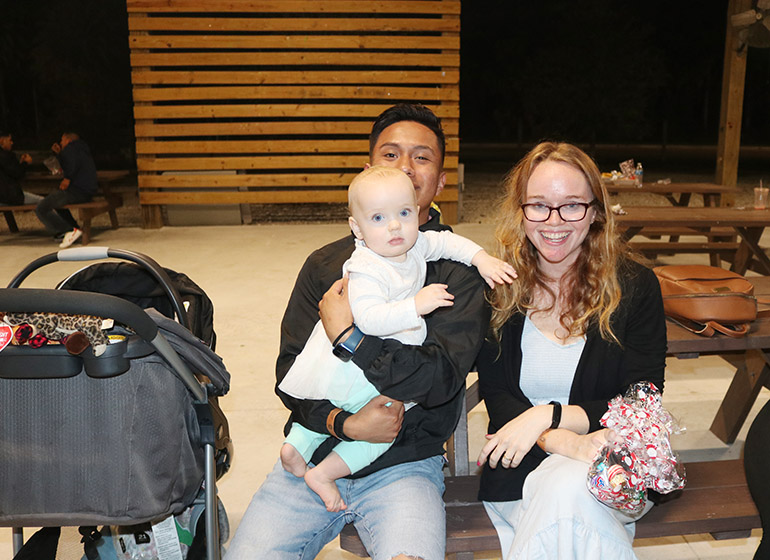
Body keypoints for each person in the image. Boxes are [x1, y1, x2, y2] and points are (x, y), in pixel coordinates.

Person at [226, 103, 491, 560]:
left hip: (406, 466)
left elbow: (440, 381)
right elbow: (291, 371)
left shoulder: (457, 273)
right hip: (314, 452)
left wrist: (351, 338)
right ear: (369, 170)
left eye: (422, 157)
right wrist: (345, 423)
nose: (406, 166)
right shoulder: (329, 266)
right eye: (391, 155)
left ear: (441, 181)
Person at [278, 165, 516, 512]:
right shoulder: (365, 267)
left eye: (404, 213)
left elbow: (447, 242)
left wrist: (481, 259)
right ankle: (324, 474)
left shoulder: (413, 244)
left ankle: (294, 447)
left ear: (418, 212)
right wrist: (415, 306)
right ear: (356, 228)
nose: (394, 226)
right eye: (378, 218)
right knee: (384, 424)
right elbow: (370, 319)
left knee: (336, 402)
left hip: (352, 370)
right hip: (360, 370)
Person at [475, 142, 667, 559]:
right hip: (521, 468)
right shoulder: (498, 287)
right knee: (567, 496)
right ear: (520, 209)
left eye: (572, 206)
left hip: (613, 470)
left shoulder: (634, 286)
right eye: (539, 205)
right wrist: (563, 443)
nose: (554, 221)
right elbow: (497, 395)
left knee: (568, 490)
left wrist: (549, 415)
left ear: (596, 211)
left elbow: (642, 398)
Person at [35, 132, 98, 248]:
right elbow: (70, 163)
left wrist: (67, 178)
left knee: (41, 207)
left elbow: (72, 165)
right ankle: (74, 228)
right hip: (87, 191)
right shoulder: (82, 149)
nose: (60, 143)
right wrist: (59, 154)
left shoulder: (71, 148)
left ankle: (67, 230)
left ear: (68, 141)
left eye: (62, 140)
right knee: (56, 200)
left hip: (77, 191)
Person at [0, 131, 42, 206]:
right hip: (9, 197)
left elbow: (10, 170)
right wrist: (25, 163)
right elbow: (17, 174)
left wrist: (20, 164)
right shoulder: (5, 155)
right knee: (43, 202)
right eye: (10, 140)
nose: (12, 143)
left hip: (4, 196)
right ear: (2, 141)